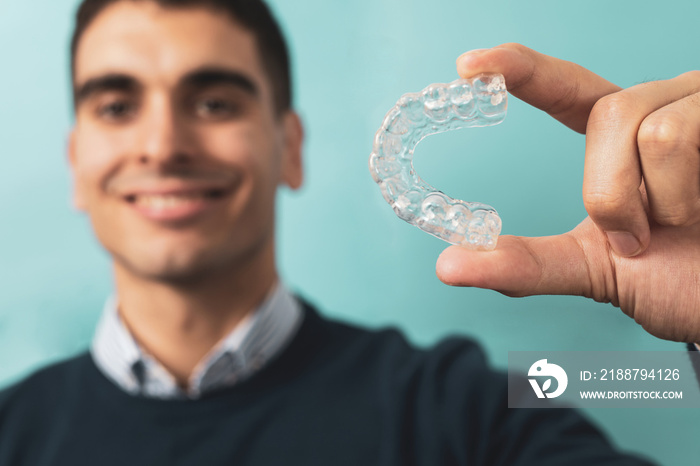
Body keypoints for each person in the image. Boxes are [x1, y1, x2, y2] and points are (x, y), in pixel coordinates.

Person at [0, 0, 696, 464]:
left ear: (292, 148)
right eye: (116, 105)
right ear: (75, 164)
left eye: (214, 101)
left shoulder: (467, 411)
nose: (162, 144)